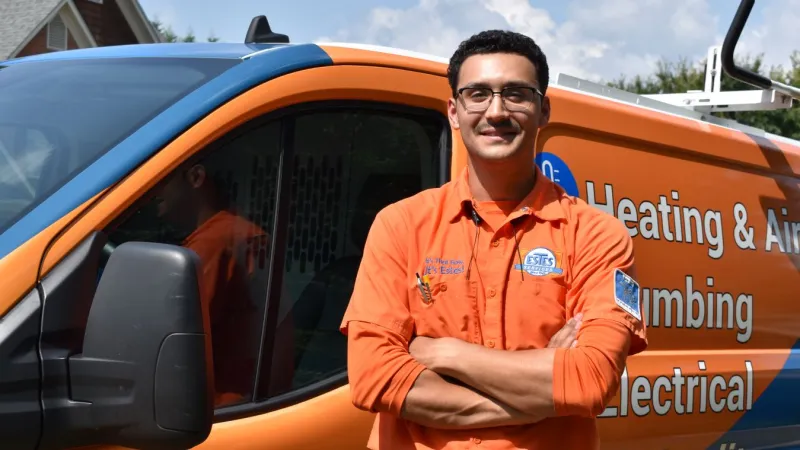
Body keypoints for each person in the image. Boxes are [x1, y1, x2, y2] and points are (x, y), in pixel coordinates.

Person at [339, 29, 648, 449]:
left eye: (517, 94)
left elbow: (590, 381)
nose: (497, 111)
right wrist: (544, 390)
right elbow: (374, 378)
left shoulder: (597, 235)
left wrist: (446, 354)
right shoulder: (400, 224)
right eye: (478, 94)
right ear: (453, 111)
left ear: (544, 111)